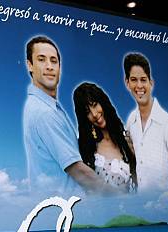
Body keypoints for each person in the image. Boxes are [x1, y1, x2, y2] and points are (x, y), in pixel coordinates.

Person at [22, 36, 108, 194]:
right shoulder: (44, 112)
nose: (49, 66)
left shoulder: (50, 107)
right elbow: (79, 172)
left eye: (54, 61)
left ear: (60, 68)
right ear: (30, 65)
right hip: (64, 211)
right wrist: (121, 198)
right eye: (41, 60)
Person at [123, 52, 168, 191]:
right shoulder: (131, 121)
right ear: (127, 83)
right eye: (134, 80)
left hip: (165, 205)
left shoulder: (167, 124)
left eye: (143, 80)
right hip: (142, 204)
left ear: (151, 83)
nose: (139, 86)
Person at [73, 82, 137, 192]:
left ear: (103, 102)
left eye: (94, 105)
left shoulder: (127, 142)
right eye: (88, 112)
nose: (94, 114)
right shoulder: (84, 149)